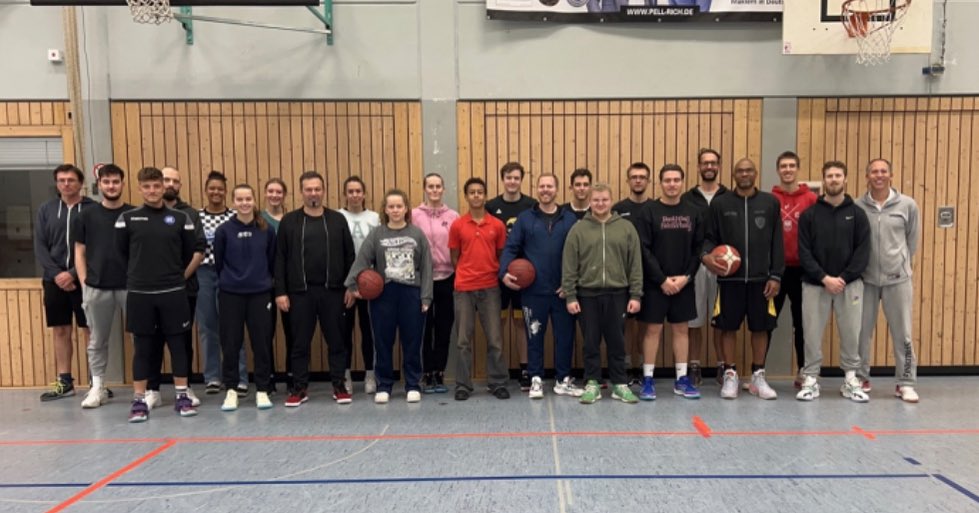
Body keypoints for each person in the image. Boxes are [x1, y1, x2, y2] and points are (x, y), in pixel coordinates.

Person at [115, 167, 198, 422]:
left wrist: (171, 275)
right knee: (143, 348)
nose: (152, 191)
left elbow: (188, 253)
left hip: (173, 292)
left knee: (179, 346)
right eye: (147, 186)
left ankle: (182, 396)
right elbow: (122, 254)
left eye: (156, 186)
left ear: (164, 187)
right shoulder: (127, 219)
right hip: (141, 293)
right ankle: (140, 400)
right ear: (139, 188)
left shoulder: (180, 218)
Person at [702, 158, 784, 400]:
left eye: (749, 170)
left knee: (761, 328)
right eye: (740, 171)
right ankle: (730, 375)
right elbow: (709, 237)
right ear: (734, 174)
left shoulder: (770, 203)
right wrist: (706, 257)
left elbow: (777, 241)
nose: (744, 174)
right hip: (730, 281)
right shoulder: (720, 203)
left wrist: (776, 275)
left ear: (755, 173)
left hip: (761, 280)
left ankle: (758, 376)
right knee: (728, 328)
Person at [274, 171, 355, 407]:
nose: (313, 193)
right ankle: (299, 388)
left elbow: (350, 256)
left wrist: (351, 286)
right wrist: (280, 291)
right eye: (308, 189)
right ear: (301, 192)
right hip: (300, 293)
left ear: (323, 190)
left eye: (317, 189)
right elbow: (279, 258)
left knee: (337, 342)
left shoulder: (337, 220)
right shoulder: (289, 221)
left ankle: (339, 385)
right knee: (299, 343)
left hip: (334, 291)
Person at [345, 189, 433, 404]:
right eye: (391, 206)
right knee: (383, 341)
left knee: (412, 341)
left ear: (406, 209)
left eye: (399, 206)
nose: (395, 210)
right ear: (385, 209)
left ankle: (413, 384)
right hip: (384, 295)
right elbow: (362, 260)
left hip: (411, 293)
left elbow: (427, 266)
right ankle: (384, 384)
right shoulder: (377, 234)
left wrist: (426, 297)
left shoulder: (417, 234)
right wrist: (352, 285)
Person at [500, 174, 580, 399]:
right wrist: (504, 272)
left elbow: (579, 253)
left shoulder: (570, 219)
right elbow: (510, 248)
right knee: (534, 336)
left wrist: (571, 284)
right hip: (533, 293)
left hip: (562, 292)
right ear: (537, 189)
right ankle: (536, 378)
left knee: (565, 336)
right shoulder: (525, 219)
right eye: (542, 186)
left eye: (550, 186)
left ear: (557, 189)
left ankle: (563, 379)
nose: (546, 190)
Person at [796, 161, 870, 402]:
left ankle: (850, 378)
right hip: (815, 284)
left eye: (838, 175)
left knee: (851, 332)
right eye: (829, 176)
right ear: (824, 180)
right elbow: (804, 252)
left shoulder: (858, 214)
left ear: (845, 179)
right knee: (812, 333)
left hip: (850, 285)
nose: (834, 179)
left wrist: (843, 278)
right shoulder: (810, 215)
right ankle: (810, 379)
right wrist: (824, 278)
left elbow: (863, 251)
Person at [562, 184, 643, 405]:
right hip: (587, 294)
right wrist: (570, 296)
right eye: (596, 200)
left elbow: (635, 264)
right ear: (590, 201)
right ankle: (592, 383)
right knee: (590, 342)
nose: (600, 204)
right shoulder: (578, 229)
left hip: (618, 293)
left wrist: (635, 295)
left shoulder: (626, 228)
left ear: (611, 200)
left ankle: (619, 384)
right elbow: (569, 266)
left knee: (617, 342)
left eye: (604, 200)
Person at [634, 164, 703, 401]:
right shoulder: (649, 211)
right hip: (656, 284)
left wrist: (686, 277)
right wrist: (661, 279)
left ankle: (682, 379)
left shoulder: (693, 211)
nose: (672, 184)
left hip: (683, 282)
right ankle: (648, 379)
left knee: (681, 329)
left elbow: (698, 249)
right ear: (660, 183)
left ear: (682, 182)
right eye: (667, 180)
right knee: (652, 330)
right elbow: (643, 249)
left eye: (676, 180)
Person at [856, 158, 921, 403]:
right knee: (861, 333)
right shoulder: (858, 206)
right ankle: (861, 378)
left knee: (902, 334)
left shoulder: (907, 205)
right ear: (867, 176)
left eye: (883, 171)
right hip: (866, 280)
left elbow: (912, 241)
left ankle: (905, 382)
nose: (879, 175)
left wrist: (900, 265)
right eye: (874, 171)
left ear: (891, 175)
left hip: (898, 280)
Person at [143, 166, 205, 409]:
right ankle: (152, 389)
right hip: (149, 291)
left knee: (181, 340)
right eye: (164, 180)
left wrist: (179, 279)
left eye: (174, 181)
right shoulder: (139, 215)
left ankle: (185, 386)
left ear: (179, 185)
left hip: (182, 290)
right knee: (152, 341)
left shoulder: (189, 214)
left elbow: (198, 250)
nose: (169, 185)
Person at [75, 164, 134, 408]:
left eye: (115, 181)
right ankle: (97, 386)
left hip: (131, 287)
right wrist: (84, 283)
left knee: (142, 338)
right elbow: (79, 252)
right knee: (97, 340)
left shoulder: (134, 214)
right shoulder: (86, 215)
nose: (111, 186)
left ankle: (147, 388)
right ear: (99, 185)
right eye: (106, 182)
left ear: (122, 183)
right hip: (97, 288)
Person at [214, 184, 277, 411]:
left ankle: (262, 389)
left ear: (253, 200)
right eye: (239, 199)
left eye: (248, 199)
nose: (244, 203)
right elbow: (219, 263)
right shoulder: (223, 231)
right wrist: (233, 280)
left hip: (260, 294)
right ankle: (231, 390)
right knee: (230, 343)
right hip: (231, 294)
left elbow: (271, 260)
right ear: (233, 203)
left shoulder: (266, 229)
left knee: (261, 343)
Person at [36, 164, 95, 401]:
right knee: (61, 330)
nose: (66, 184)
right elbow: (40, 246)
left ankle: (96, 382)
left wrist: (72, 273)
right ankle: (65, 381)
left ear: (80, 183)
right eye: (61, 180)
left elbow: (97, 246)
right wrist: (58, 275)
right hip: (54, 281)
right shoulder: (46, 210)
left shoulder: (93, 210)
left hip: (85, 279)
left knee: (89, 330)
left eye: (71, 180)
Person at [451, 178, 511, 401]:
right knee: (463, 340)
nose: (476, 196)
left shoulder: (497, 225)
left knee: (495, 339)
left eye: (480, 192)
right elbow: (454, 257)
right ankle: (463, 385)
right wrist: (467, 273)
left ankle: (497, 382)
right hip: (464, 288)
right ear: (466, 196)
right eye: (472, 192)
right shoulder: (458, 225)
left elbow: (500, 254)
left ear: (485, 196)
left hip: (490, 287)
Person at [486, 162, 536, 390]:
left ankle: (525, 369)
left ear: (521, 180)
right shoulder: (491, 206)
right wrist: (500, 270)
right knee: (497, 323)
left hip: (522, 277)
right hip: (497, 275)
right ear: (502, 179)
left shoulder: (531, 206)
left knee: (520, 322)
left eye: (516, 177)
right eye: (508, 177)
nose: (512, 181)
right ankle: (497, 371)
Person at [196, 171, 247, 396]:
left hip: (230, 275)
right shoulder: (196, 217)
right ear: (206, 190)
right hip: (204, 274)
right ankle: (213, 377)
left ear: (226, 192)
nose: (216, 192)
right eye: (212, 188)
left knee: (234, 328)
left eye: (220, 188)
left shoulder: (235, 217)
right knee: (208, 326)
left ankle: (239, 376)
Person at [681, 148, 728, 387]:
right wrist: (701, 256)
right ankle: (694, 366)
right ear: (698, 167)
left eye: (713, 163)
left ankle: (723, 366)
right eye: (704, 163)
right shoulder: (688, 198)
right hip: (697, 265)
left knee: (720, 320)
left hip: (724, 267)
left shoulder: (728, 197)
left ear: (719, 166)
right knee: (695, 320)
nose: (709, 166)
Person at [770, 151, 817, 387]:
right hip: (776, 272)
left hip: (803, 272)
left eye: (791, 166)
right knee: (767, 321)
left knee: (803, 323)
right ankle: (759, 372)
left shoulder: (810, 199)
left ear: (797, 169)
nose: (787, 170)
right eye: (783, 166)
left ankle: (804, 371)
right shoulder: (770, 199)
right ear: (778, 170)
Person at [412, 173, 459, 394]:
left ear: (443, 189)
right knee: (424, 328)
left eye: (438, 186)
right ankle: (426, 372)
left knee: (443, 327)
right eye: (430, 186)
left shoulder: (453, 216)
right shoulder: (413, 215)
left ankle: (439, 373)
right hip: (422, 280)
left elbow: (459, 247)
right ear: (424, 189)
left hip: (447, 278)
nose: (434, 190)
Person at [339, 176, 381, 394]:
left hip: (369, 285)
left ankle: (370, 375)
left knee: (369, 331)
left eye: (358, 191)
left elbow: (379, 252)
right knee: (344, 333)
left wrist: (371, 282)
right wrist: (348, 285)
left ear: (364, 194)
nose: (354, 195)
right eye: (350, 191)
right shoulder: (338, 217)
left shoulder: (374, 218)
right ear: (345, 194)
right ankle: (345, 375)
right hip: (346, 285)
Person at [613, 162, 653, 385]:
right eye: (634, 177)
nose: (638, 180)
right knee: (627, 323)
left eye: (642, 177)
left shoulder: (655, 207)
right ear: (628, 180)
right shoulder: (618, 209)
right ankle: (629, 366)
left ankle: (643, 368)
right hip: (623, 277)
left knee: (646, 323)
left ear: (648, 181)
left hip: (651, 276)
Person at [261, 177, 291, 392]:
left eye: (278, 192)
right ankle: (268, 377)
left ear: (284, 195)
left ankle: (292, 376)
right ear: (265, 193)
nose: (274, 195)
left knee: (293, 332)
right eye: (270, 191)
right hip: (264, 284)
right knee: (265, 332)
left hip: (289, 284)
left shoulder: (291, 220)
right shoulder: (258, 219)